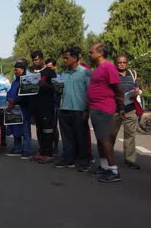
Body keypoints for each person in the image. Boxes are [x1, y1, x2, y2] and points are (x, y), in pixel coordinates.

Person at [87, 43, 124, 182]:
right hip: (96, 108)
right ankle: (104, 166)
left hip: (104, 108)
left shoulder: (108, 67)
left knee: (105, 139)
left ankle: (114, 171)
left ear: (100, 53)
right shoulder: (98, 68)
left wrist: (121, 107)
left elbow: (118, 89)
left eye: (91, 52)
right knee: (101, 139)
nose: (89, 54)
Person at [55, 47, 91, 171]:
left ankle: (84, 161)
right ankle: (68, 159)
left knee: (81, 137)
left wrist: (87, 110)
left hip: (79, 110)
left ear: (75, 58)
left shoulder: (85, 72)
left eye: (67, 58)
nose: (64, 60)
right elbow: (59, 91)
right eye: (63, 58)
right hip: (64, 108)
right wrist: (57, 88)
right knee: (66, 137)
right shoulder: (63, 74)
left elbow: (90, 92)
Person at [109, 55, 141, 169]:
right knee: (111, 134)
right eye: (119, 62)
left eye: (124, 62)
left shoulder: (133, 74)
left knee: (130, 135)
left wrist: (136, 92)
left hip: (130, 109)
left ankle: (130, 159)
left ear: (127, 63)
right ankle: (108, 157)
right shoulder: (111, 75)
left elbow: (136, 87)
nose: (122, 64)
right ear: (115, 63)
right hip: (115, 110)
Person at [29, 51, 57, 164]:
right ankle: (41, 151)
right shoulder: (31, 73)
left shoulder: (50, 72)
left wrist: (46, 85)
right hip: (35, 106)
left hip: (47, 105)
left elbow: (57, 88)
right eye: (33, 60)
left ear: (42, 59)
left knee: (47, 129)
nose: (35, 62)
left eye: (37, 59)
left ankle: (48, 153)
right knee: (39, 129)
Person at [5, 62, 32, 159]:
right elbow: (9, 93)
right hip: (13, 109)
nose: (15, 71)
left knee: (25, 131)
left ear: (23, 69)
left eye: (17, 70)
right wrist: (9, 99)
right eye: (14, 70)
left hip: (23, 109)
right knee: (15, 130)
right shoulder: (15, 82)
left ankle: (27, 151)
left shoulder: (27, 81)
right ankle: (17, 149)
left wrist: (15, 100)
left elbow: (26, 96)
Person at [45, 58, 61, 154]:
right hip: (45, 105)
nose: (49, 70)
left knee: (54, 127)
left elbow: (59, 91)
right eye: (47, 68)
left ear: (55, 67)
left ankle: (55, 147)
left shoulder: (59, 77)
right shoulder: (44, 76)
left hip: (55, 104)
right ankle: (47, 147)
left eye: (50, 68)